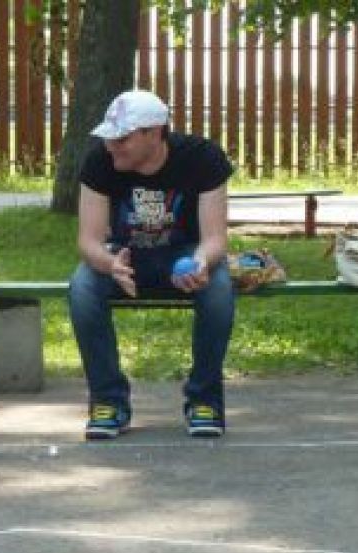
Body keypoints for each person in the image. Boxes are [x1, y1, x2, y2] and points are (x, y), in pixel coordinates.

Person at [68, 89, 235, 440]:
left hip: (185, 254)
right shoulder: (99, 162)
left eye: (122, 138)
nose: (112, 147)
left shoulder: (202, 157)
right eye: (109, 138)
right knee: (83, 288)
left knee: (218, 288)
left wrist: (201, 263)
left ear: (154, 132)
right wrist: (109, 264)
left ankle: (205, 399)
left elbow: (216, 238)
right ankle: (108, 401)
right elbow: (88, 241)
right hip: (124, 256)